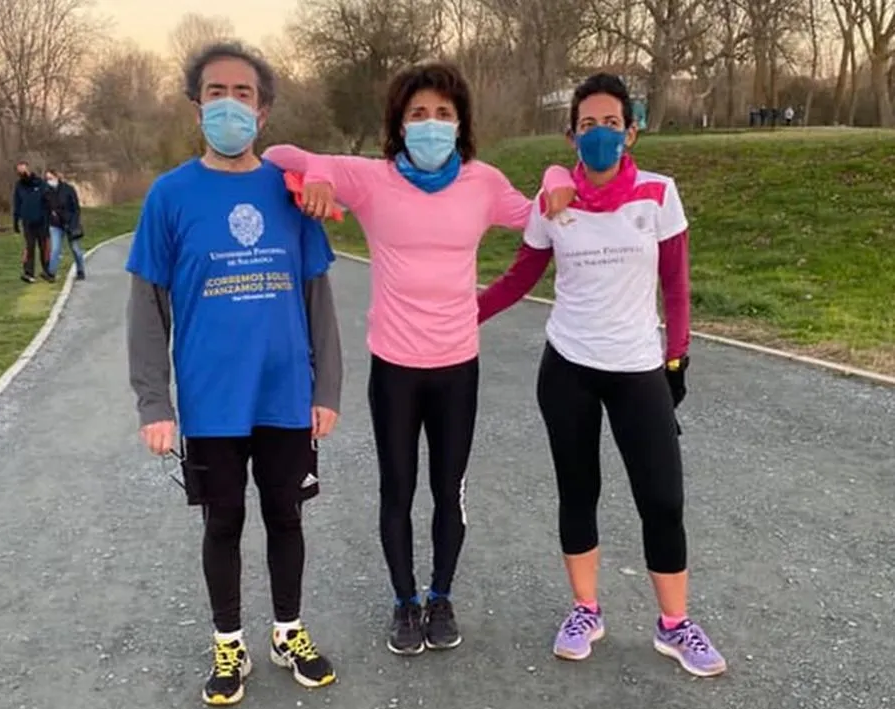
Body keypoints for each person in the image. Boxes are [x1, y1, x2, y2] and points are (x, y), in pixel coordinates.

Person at [262, 61, 575, 657]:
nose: (431, 124)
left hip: (457, 366)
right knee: (398, 489)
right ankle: (405, 601)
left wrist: (558, 172)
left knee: (448, 489)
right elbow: (279, 154)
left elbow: (542, 210)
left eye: (443, 114)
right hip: (396, 368)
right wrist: (321, 174)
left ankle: (441, 596)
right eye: (418, 114)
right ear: (400, 124)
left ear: (460, 124)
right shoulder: (372, 179)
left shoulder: (482, 183)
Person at [477, 72, 727, 678]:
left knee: (662, 499)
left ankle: (674, 624)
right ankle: (585, 610)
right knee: (578, 492)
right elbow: (520, 276)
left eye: (611, 123)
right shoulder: (553, 203)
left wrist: (677, 358)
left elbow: (676, 285)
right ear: (571, 136)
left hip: (638, 369)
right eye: (587, 125)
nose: (599, 134)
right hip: (568, 368)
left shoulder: (659, 194)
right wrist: (462, 315)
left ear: (631, 132)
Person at [125, 41, 342, 707]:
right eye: (215, 93)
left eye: (242, 94)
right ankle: (229, 642)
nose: (228, 105)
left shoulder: (289, 192)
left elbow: (317, 297)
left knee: (286, 518)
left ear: (263, 110)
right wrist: (154, 403)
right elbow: (147, 306)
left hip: (284, 394)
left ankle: (287, 632)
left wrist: (326, 388)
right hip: (212, 400)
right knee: (222, 524)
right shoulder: (169, 196)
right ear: (197, 107)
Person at [12, 161, 52, 283]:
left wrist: (50, 217)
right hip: (28, 223)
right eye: (19, 171)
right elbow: (17, 204)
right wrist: (15, 221)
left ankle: (48, 271)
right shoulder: (19, 186)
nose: (22, 173)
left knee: (44, 247)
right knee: (29, 247)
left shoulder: (40, 183)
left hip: (42, 221)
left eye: (23, 170)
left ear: (28, 169)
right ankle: (28, 273)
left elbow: (48, 201)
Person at [44, 168, 87, 281]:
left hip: (70, 223)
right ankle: (51, 273)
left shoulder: (68, 189)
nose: (49, 181)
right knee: (55, 249)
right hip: (55, 225)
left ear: (56, 177)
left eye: (50, 178)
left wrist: (74, 223)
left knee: (75, 249)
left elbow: (76, 208)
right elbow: (45, 208)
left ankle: (80, 270)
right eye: (47, 179)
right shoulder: (47, 191)